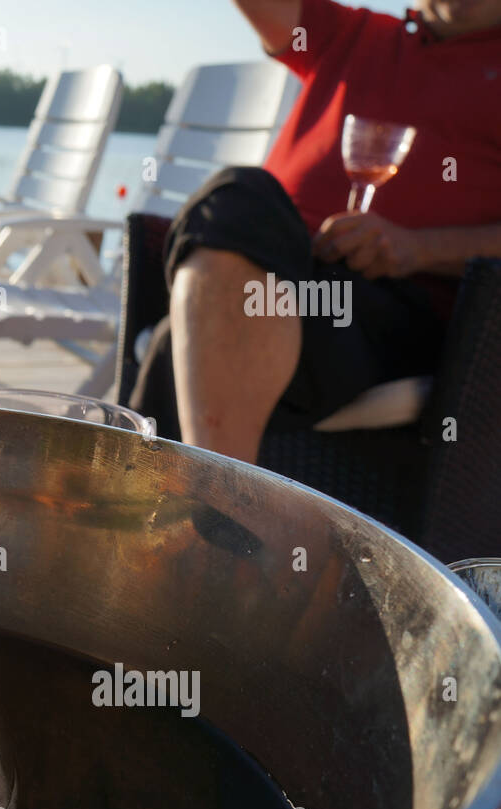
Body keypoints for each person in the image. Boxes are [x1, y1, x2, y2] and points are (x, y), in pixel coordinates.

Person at [129, 0, 501, 462]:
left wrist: (417, 249)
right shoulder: (353, 34)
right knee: (239, 195)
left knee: (190, 331)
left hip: (398, 305)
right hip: (278, 270)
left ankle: (194, 503)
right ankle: (205, 500)